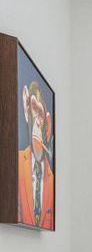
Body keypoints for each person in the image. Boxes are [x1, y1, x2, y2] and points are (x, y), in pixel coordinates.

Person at [18, 80, 54, 230]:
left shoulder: (52, 181)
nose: (36, 128)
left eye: (41, 122)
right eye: (34, 119)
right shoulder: (17, 163)